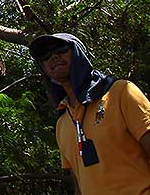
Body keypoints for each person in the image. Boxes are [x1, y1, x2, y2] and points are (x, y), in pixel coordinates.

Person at [29, 33, 150, 195]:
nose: (54, 56)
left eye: (61, 49)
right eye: (45, 55)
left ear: (78, 53)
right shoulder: (62, 124)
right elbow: (78, 183)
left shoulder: (121, 92)